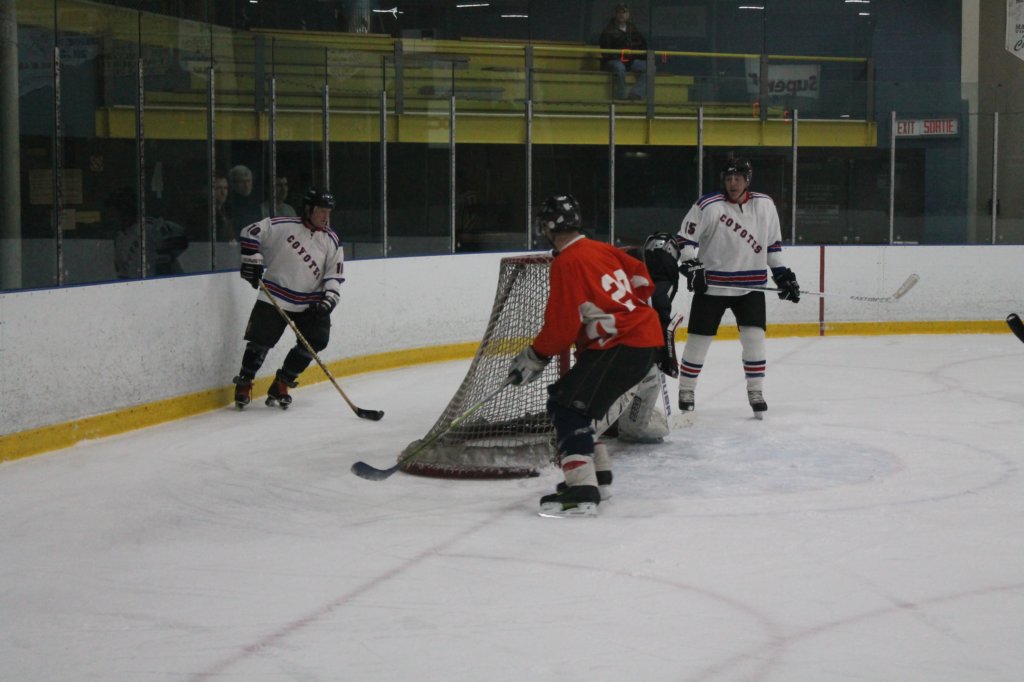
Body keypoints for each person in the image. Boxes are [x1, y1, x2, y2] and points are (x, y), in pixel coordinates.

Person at [508, 194, 664, 517]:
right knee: (579, 407)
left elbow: (563, 325)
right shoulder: (603, 249)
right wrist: (617, 308)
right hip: (641, 340)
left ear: (548, 227)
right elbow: (642, 279)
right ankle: (599, 479)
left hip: (621, 344)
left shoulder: (567, 261)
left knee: (566, 407)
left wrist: (535, 355)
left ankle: (582, 490)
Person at [674, 158, 800, 418]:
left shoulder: (765, 205)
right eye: (729, 178)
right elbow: (684, 240)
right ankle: (686, 390)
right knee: (699, 339)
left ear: (747, 180)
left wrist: (782, 275)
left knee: (754, 339)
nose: (732, 183)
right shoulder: (707, 205)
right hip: (713, 286)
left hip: (751, 287)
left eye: (738, 178)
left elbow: (772, 246)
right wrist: (691, 265)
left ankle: (756, 391)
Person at [231, 187, 345, 409]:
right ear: (308, 209)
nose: (326, 216)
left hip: (311, 302)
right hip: (275, 294)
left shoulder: (331, 240)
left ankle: (281, 383)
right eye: (321, 211)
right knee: (260, 341)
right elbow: (249, 231)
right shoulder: (283, 225)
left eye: (329, 212)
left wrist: (329, 300)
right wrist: (251, 258)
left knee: (316, 340)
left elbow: (334, 276)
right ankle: (244, 382)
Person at [106, 187, 189, 279]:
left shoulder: (151, 227)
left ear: (123, 210)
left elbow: (182, 240)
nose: (110, 216)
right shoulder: (119, 240)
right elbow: (123, 275)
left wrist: (161, 255)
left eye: (113, 211)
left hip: (165, 284)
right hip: (138, 286)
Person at [599, 3, 648, 101]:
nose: (621, 15)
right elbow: (606, 52)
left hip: (629, 61)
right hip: (613, 61)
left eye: (624, 12)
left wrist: (633, 54)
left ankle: (636, 94)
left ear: (628, 14)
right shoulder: (608, 30)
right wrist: (621, 56)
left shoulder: (632, 28)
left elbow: (642, 44)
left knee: (649, 67)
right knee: (619, 67)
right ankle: (622, 97)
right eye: (619, 12)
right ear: (615, 14)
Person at [226, 164, 263, 231]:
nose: (246, 185)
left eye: (248, 181)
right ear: (233, 183)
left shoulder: (255, 204)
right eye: (242, 182)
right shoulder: (228, 204)